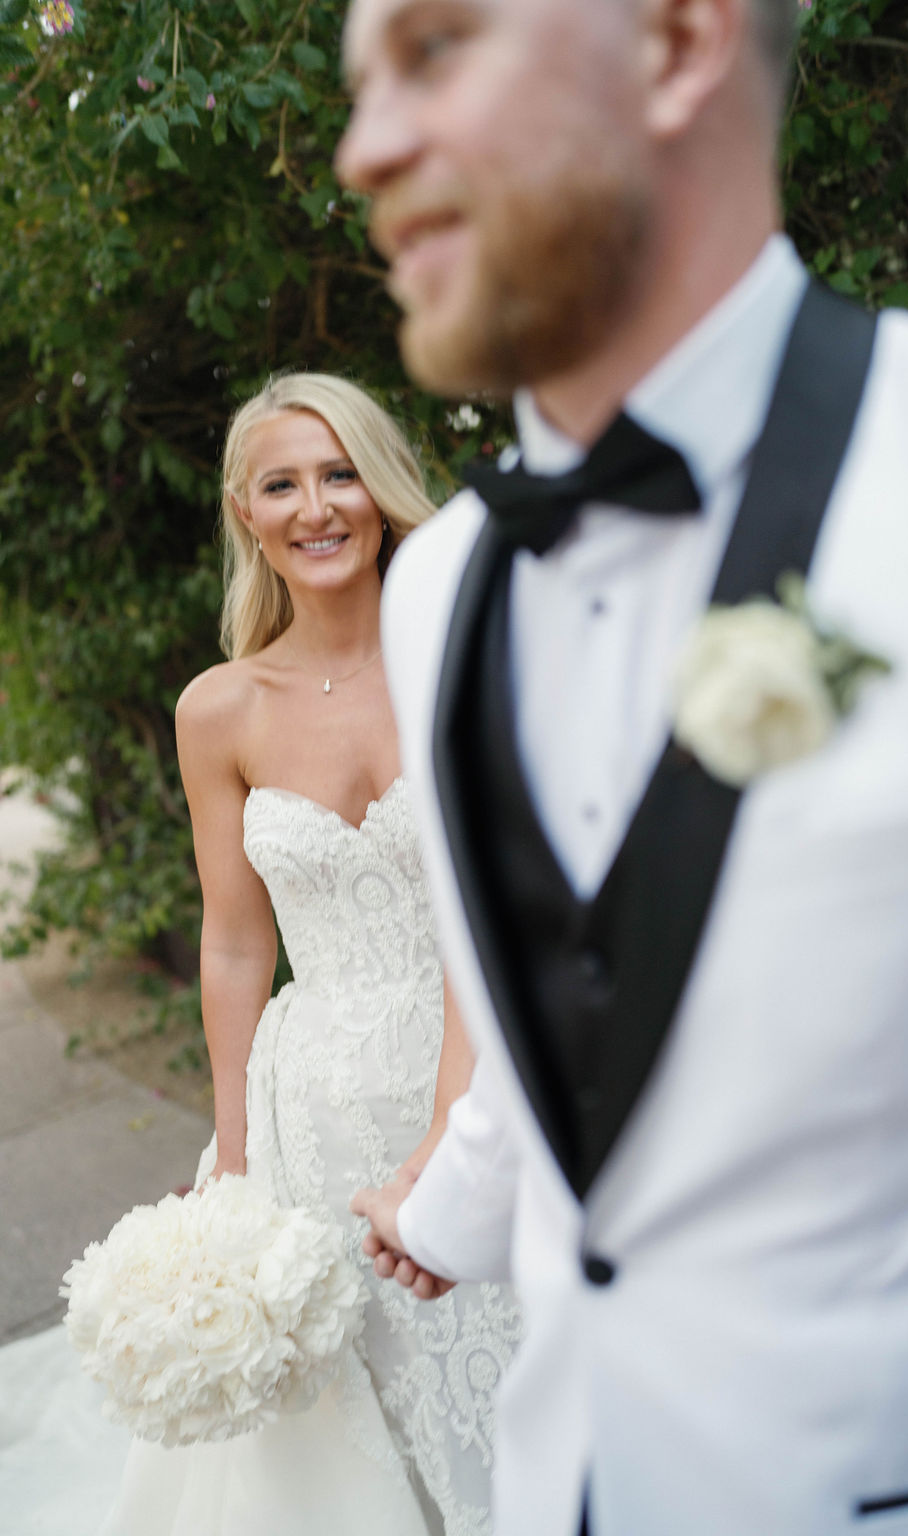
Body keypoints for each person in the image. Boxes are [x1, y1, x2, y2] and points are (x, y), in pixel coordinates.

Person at [335, 2, 908, 1535]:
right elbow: (569, 1016)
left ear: (676, 39)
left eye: (435, 49)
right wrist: (451, 1212)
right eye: (359, 84)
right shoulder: (439, 584)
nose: (363, 147)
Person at [95, 372, 520, 1536]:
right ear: (246, 513)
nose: (316, 507)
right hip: (313, 1111)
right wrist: (234, 1158)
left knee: (513, 1389)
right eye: (282, 484)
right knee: (357, 1418)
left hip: (485, 1067)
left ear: (381, 495)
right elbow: (235, 943)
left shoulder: (471, 652)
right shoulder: (219, 711)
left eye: (339, 475)